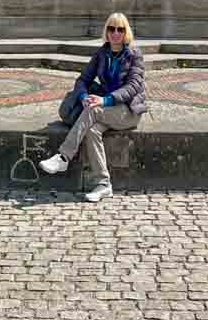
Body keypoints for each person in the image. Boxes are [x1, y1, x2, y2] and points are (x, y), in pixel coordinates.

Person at [40, 12, 146, 202]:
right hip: (106, 112)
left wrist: (104, 101)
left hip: (127, 111)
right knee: (92, 131)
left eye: (120, 29)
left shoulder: (134, 56)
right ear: (106, 31)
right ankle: (103, 184)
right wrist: (83, 97)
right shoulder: (101, 53)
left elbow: (133, 87)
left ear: (125, 32)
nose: (115, 33)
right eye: (111, 29)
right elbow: (82, 79)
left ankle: (63, 157)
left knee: (94, 110)